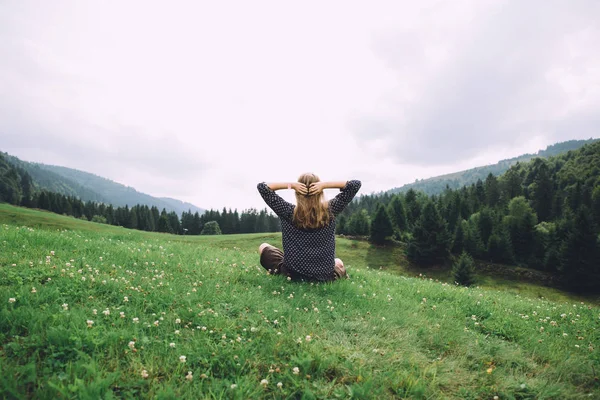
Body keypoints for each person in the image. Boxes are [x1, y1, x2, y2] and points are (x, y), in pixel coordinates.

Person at [257, 173, 361, 282]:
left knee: (263, 246)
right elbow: (355, 185)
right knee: (338, 262)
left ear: (297, 192)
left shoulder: (287, 211)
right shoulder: (330, 211)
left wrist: (291, 185)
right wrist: (324, 185)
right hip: (324, 277)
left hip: (292, 274)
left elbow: (263, 187)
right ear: (320, 191)